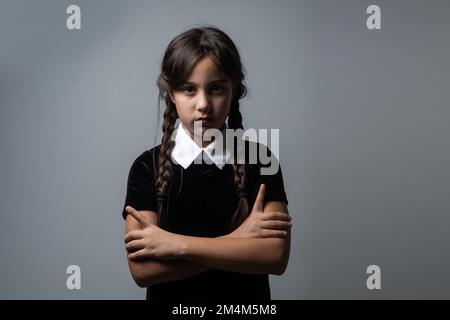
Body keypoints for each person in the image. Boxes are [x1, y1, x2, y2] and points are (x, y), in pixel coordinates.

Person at [121, 26, 292, 300]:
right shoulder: (146, 167)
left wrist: (175, 245)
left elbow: (274, 256)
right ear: (171, 94)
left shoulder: (261, 161)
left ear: (234, 90)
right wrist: (240, 241)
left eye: (216, 89)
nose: (203, 104)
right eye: (189, 89)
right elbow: (143, 271)